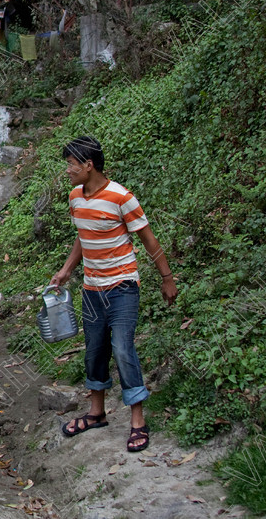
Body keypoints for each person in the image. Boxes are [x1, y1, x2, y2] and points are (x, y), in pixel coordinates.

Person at [50, 136, 178, 452]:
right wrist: (67, 270)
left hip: (122, 288)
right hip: (92, 290)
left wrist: (167, 278)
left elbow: (148, 240)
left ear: (88, 165)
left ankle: (138, 421)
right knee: (94, 350)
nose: (67, 171)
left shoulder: (122, 198)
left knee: (122, 348)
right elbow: (84, 236)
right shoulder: (76, 198)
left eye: (71, 164)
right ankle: (96, 413)